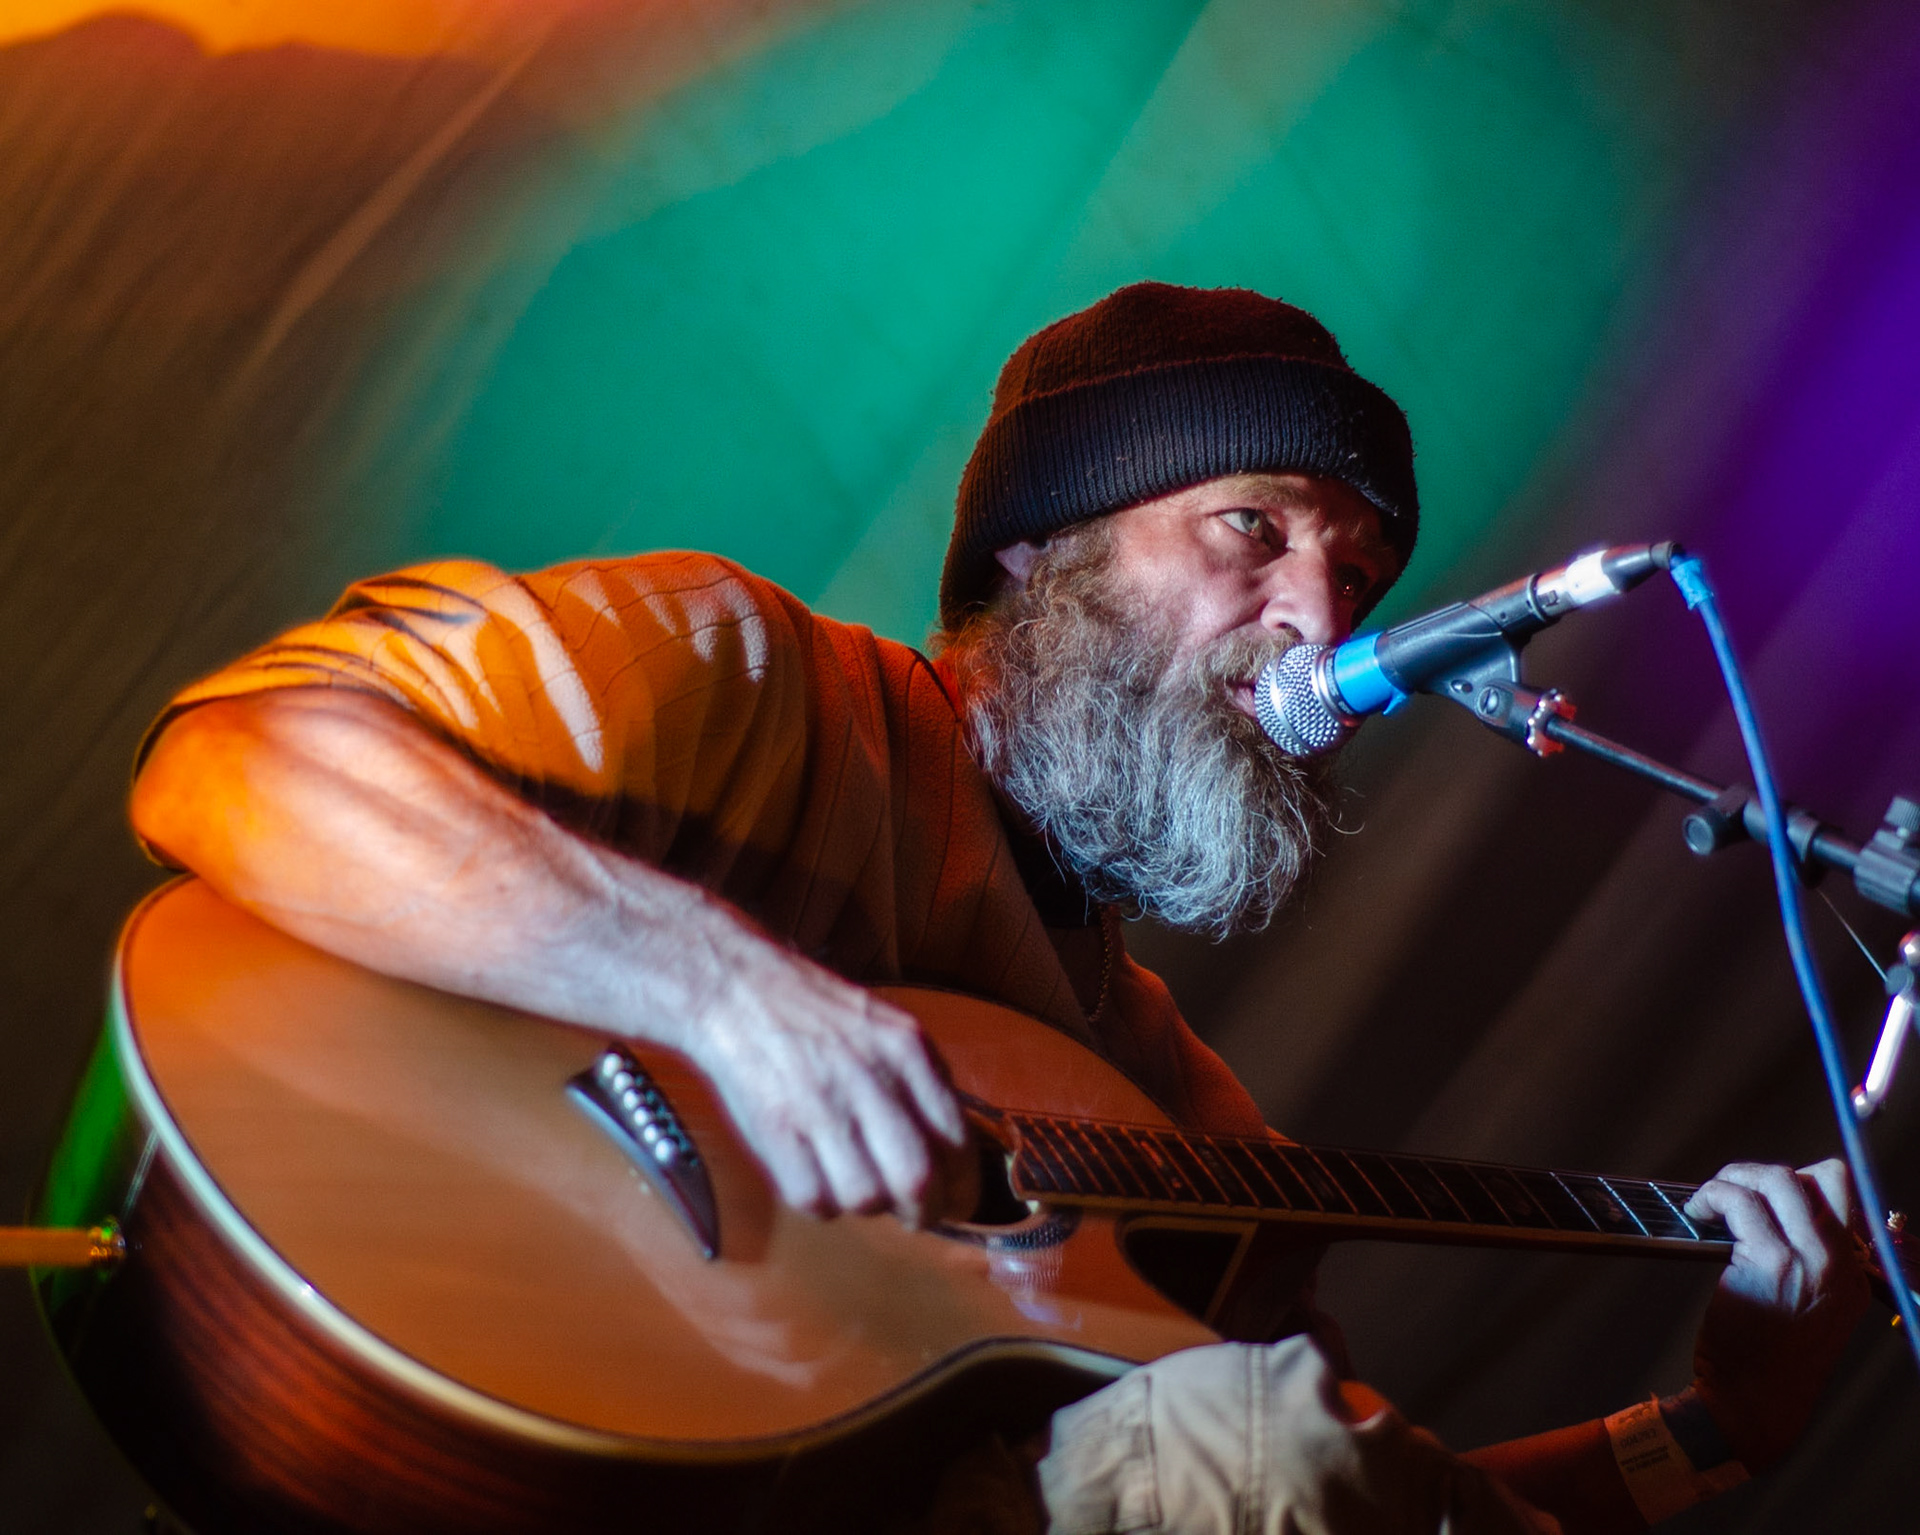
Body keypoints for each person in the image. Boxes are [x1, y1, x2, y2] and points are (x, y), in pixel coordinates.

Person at [129, 283, 1866, 1534]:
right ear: (1046, 545)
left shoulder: (1178, 1115)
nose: (1319, 622)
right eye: (1251, 529)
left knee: (1262, 1444)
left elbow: (1361, 1501)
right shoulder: (739, 676)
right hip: (402, 1359)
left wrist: (1709, 1429)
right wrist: (721, 994)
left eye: (1356, 573)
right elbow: (239, 757)